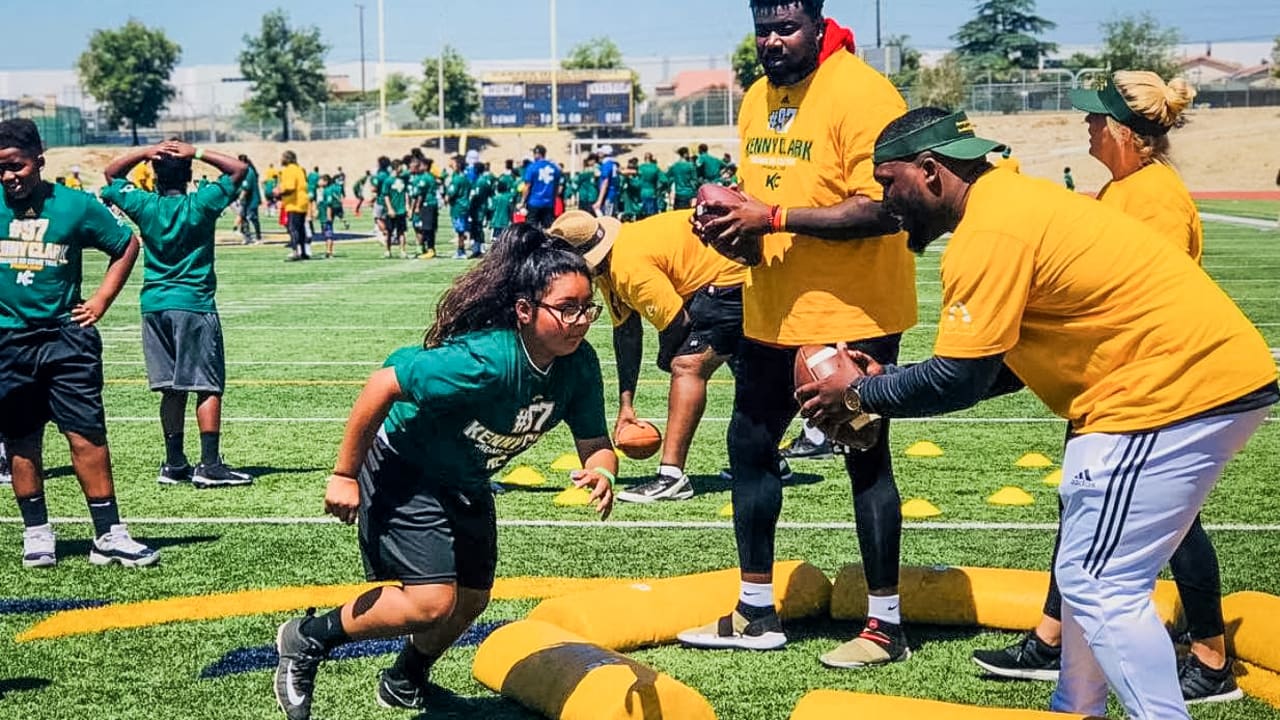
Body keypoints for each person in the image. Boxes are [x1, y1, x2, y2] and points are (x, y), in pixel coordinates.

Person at [798, 106, 1278, 720]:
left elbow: (958, 379)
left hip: (1164, 390)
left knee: (1101, 586)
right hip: (1174, 385)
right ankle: (1075, 705)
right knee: (1086, 575)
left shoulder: (989, 231)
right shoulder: (1009, 204)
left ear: (930, 172)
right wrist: (886, 381)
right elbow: (999, 367)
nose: (884, 200)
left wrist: (860, 395)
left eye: (889, 183)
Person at [271, 223, 617, 720]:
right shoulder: (487, 360)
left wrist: (603, 472)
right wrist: (344, 475)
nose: (580, 320)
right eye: (567, 308)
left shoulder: (579, 366)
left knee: (471, 599)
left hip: (467, 476)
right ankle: (306, 638)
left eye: (588, 308)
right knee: (431, 602)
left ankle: (403, 679)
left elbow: (596, 446)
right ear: (524, 310)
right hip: (406, 463)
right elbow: (383, 383)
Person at [972, 71, 1233, 704]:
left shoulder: (1153, 198)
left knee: (1177, 524)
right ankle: (1053, 636)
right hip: (1115, 379)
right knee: (1082, 505)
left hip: (1149, 384)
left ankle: (1210, 657)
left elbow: (1148, 298)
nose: (1086, 126)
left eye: (1095, 118)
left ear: (1124, 132)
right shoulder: (1126, 187)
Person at [677, 0, 916, 668]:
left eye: (786, 29)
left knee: (863, 454)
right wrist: (731, 226)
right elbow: (763, 199)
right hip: (771, 306)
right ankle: (756, 610)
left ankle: (885, 624)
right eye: (763, 31)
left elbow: (886, 207)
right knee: (748, 444)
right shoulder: (757, 97)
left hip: (853, 310)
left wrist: (773, 214)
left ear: (817, 24)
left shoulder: (863, 91)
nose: (773, 42)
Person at [0, 118, 158, 568]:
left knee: (86, 435)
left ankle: (109, 534)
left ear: (39, 161)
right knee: (21, 439)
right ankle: (37, 532)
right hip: (8, 340)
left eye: (17, 166)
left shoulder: (75, 204)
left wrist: (102, 299)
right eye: (1, 170)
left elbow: (126, 244)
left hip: (67, 339)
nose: (10, 177)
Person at [550, 210, 787, 503]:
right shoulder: (611, 264)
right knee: (744, 366)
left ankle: (671, 477)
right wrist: (627, 405)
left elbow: (677, 322)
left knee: (687, 365)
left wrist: (666, 358)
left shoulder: (627, 268)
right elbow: (627, 333)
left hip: (734, 274)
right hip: (724, 275)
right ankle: (768, 458)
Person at [101, 138, 255, 489]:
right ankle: (210, 464)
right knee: (207, 386)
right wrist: (196, 152)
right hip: (194, 303)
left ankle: (174, 463)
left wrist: (145, 151)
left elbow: (111, 175)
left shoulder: (144, 204)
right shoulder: (200, 203)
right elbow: (239, 170)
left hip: (154, 304)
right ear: (188, 175)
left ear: (154, 175)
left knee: (171, 389)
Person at [275, 151, 310, 261]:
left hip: (294, 203)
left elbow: (290, 187)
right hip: (303, 202)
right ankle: (304, 251)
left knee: (293, 228)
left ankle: (295, 251)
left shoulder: (289, 170)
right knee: (301, 228)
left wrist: (278, 193)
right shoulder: (299, 169)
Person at [521, 144, 561, 229]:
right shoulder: (554, 168)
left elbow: (527, 186)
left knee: (531, 228)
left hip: (534, 202)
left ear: (537, 154)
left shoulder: (532, 167)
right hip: (549, 203)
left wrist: (523, 201)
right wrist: (553, 199)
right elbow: (557, 187)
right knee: (548, 228)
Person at [409, 157, 439, 258]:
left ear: (425, 166)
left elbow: (421, 194)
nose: (418, 167)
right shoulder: (429, 177)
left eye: (420, 165)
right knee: (429, 228)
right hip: (431, 204)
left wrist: (416, 207)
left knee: (427, 228)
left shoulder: (425, 178)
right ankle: (430, 249)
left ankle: (430, 249)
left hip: (427, 205)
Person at [446, 155, 472, 259]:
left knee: (460, 231)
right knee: (460, 230)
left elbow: (451, 193)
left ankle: (461, 251)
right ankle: (461, 250)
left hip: (458, 207)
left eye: (453, 162)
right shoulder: (464, 177)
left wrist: (447, 198)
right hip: (463, 206)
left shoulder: (457, 179)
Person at [382, 162, 409, 259]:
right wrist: (389, 208)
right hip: (392, 210)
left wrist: (407, 206)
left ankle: (402, 250)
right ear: (396, 168)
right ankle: (387, 250)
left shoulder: (403, 180)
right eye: (400, 167)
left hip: (401, 210)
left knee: (401, 231)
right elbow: (386, 195)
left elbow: (406, 193)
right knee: (389, 232)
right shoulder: (388, 181)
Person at [238, 154, 262, 245]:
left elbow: (246, 187)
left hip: (252, 200)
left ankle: (258, 238)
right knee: (244, 218)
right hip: (247, 200)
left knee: (253, 218)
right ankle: (247, 237)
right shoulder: (244, 171)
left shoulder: (248, 172)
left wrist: (241, 197)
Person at [594, 145, 621, 217]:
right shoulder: (613, 164)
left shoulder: (606, 165)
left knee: (607, 218)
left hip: (608, 195)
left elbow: (605, 182)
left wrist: (599, 200)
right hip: (613, 193)